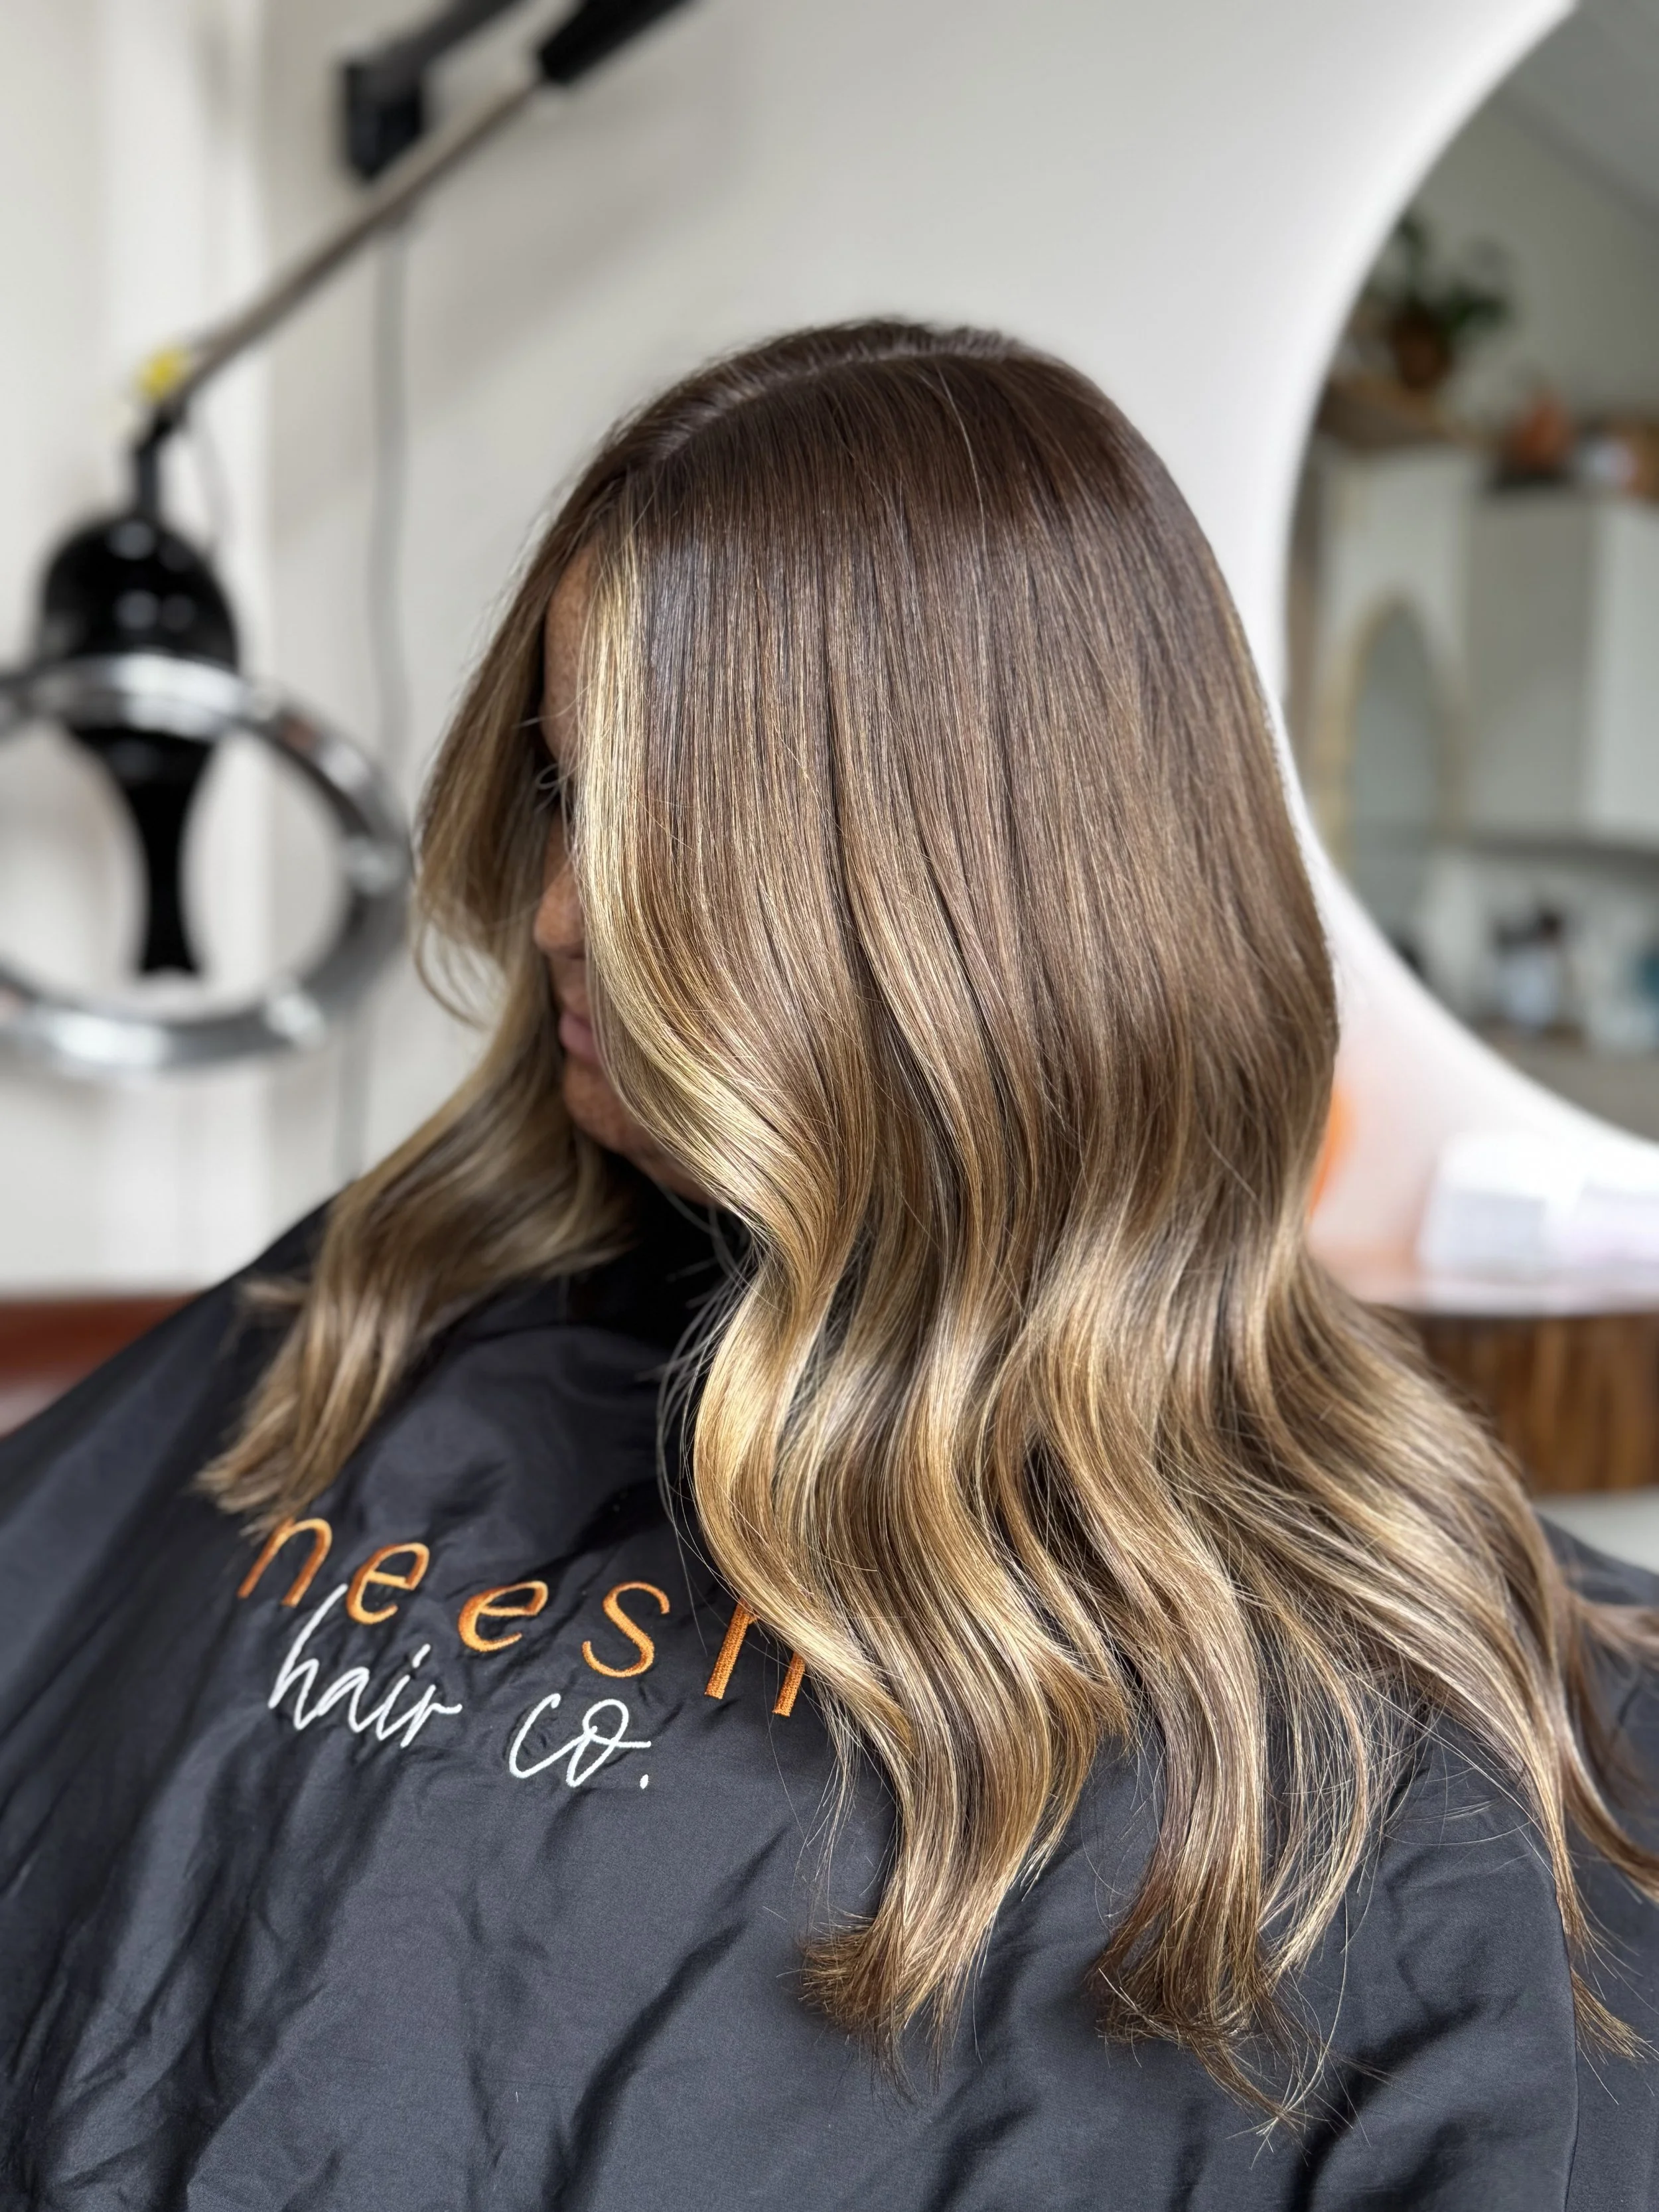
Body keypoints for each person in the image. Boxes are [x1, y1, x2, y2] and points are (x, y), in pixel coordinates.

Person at [4, 320, 1659, 2211]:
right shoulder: (395, 1289)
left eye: (657, 839)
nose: (551, 913)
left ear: (950, 903)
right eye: (559, 795)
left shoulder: (1388, 1768)